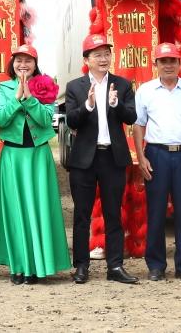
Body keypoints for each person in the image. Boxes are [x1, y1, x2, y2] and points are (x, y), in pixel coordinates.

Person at [63, 34, 139, 285]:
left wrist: (115, 105)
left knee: (113, 213)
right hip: (84, 159)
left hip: (112, 157)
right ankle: (82, 266)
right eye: (97, 54)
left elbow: (131, 117)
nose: (103, 58)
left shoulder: (123, 84)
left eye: (107, 53)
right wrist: (88, 105)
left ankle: (115, 266)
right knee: (82, 215)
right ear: (87, 59)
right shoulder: (75, 86)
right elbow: (72, 120)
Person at [133, 42, 181, 282]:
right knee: (156, 212)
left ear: (179, 64)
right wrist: (141, 156)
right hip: (156, 155)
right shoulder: (145, 91)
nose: (168, 65)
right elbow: (138, 125)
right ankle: (156, 265)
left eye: (172, 61)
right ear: (155, 64)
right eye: (163, 61)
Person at [0, 44, 70, 284]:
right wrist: (16, 99)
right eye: (19, 60)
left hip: (38, 157)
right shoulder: (3, 88)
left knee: (39, 209)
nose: (23, 65)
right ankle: (19, 266)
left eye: (28, 60)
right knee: (16, 211)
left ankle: (38, 266)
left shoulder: (44, 86)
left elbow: (47, 119)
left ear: (35, 64)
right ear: (12, 63)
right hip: (13, 158)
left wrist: (30, 99)